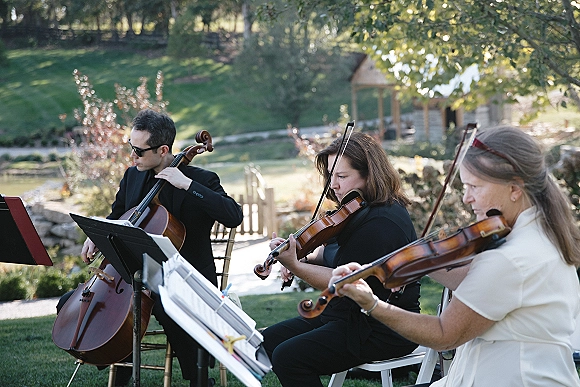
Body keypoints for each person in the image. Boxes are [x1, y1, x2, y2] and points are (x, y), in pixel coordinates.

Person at [331, 125, 580, 386]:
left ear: (514, 189)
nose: (466, 198)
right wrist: (421, 259)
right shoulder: (540, 234)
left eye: (474, 186)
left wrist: (371, 303)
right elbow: (480, 286)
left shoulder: (510, 258)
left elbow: (444, 334)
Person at [59, 109, 244, 387]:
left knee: (172, 310)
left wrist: (188, 184)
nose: (132, 156)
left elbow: (234, 215)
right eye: (130, 147)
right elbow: (118, 215)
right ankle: (121, 368)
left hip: (185, 281)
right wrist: (97, 236)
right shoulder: (133, 176)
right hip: (134, 278)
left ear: (163, 150)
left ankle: (200, 380)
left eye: (138, 150)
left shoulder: (202, 180)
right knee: (72, 304)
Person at [261, 131, 421, 387]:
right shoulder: (358, 212)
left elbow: (346, 282)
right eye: (330, 176)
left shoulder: (381, 222)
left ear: (369, 174)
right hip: (346, 316)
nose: (332, 185)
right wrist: (299, 252)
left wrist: (295, 266)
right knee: (268, 342)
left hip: (380, 326)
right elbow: (329, 254)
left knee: (289, 357)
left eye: (341, 176)